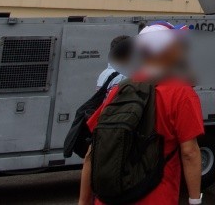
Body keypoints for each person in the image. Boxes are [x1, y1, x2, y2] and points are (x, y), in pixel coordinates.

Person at [79, 23, 205, 205]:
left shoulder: (120, 89)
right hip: (156, 197)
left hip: (110, 198)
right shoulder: (181, 92)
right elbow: (190, 153)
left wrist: (83, 201)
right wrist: (195, 201)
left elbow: (93, 152)